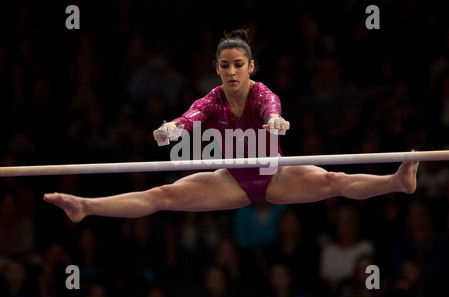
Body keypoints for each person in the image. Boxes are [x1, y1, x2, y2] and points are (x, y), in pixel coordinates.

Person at [43, 29, 419, 224]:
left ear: (250, 66)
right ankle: (85, 206)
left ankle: (397, 183)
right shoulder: (212, 99)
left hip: (276, 175)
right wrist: (172, 129)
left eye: (239, 64)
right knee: (161, 195)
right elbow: (189, 116)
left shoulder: (261, 94)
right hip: (232, 182)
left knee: (336, 180)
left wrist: (274, 119)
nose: (232, 71)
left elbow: (272, 107)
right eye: (225, 66)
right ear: (217, 68)